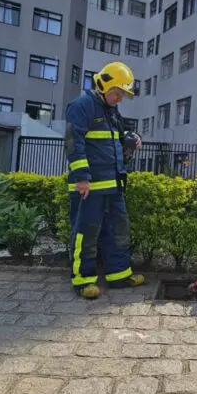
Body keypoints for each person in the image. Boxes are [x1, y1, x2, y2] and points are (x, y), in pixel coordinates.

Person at [64, 61, 146, 299]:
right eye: (117, 93)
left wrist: (133, 138)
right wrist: (81, 177)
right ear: (105, 84)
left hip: (113, 185)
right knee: (86, 232)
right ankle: (83, 280)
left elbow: (119, 137)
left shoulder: (111, 111)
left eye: (122, 95)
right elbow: (73, 141)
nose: (119, 98)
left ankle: (118, 275)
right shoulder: (82, 106)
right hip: (89, 187)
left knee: (118, 231)